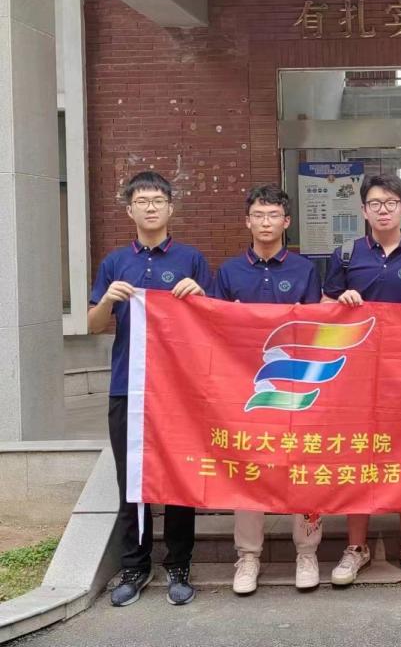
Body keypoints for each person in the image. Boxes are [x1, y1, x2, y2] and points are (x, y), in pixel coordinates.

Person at [87, 171, 211, 607]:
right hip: (129, 386)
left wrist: (200, 295)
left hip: (179, 389)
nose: (151, 207)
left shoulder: (192, 259)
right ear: (130, 210)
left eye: (158, 200)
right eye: (142, 201)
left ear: (170, 208)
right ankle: (135, 567)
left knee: (179, 477)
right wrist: (107, 300)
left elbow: (212, 324)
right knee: (131, 481)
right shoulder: (115, 263)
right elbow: (93, 325)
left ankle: (179, 564)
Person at [321, 173, 401, 585]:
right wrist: (339, 301)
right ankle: (356, 546)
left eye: (391, 203)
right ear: (363, 210)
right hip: (355, 376)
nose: (383, 210)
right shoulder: (345, 255)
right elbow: (323, 307)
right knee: (358, 453)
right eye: (375, 203)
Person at [211, 185, 324, 595]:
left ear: (286, 221)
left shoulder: (304, 270)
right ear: (247, 221)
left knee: (302, 465)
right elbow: (212, 326)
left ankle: (307, 551)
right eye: (258, 215)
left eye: (273, 215)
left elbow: (314, 327)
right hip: (245, 387)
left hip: (295, 385)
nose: (265, 222)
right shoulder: (228, 273)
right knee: (249, 466)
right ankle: (248, 556)